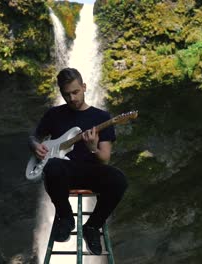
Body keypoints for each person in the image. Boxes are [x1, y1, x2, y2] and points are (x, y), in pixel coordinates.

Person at [28, 68, 128, 255]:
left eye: (75, 92)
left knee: (119, 180)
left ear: (84, 87)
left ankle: (92, 227)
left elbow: (105, 159)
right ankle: (66, 218)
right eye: (67, 95)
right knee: (52, 166)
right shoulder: (54, 114)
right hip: (62, 173)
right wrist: (35, 146)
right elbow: (34, 136)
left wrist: (92, 147)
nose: (72, 98)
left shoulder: (102, 118)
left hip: (92, 172)